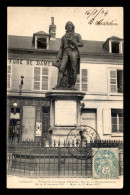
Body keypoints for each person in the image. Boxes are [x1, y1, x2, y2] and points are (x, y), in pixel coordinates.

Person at [53, 21, 83, 89]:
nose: (69, 27)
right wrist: (58, 57)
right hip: (65, 52)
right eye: (67, 26)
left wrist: (74, 42)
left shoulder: (77, 35)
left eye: (70, 25)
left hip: (73, 51)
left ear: (73, 27)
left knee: (73, 68)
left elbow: (81, 44)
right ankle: (58, 85)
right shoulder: (63, 37)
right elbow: (61, 47)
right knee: (61, 68)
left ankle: (72, 85)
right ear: (66, 28)